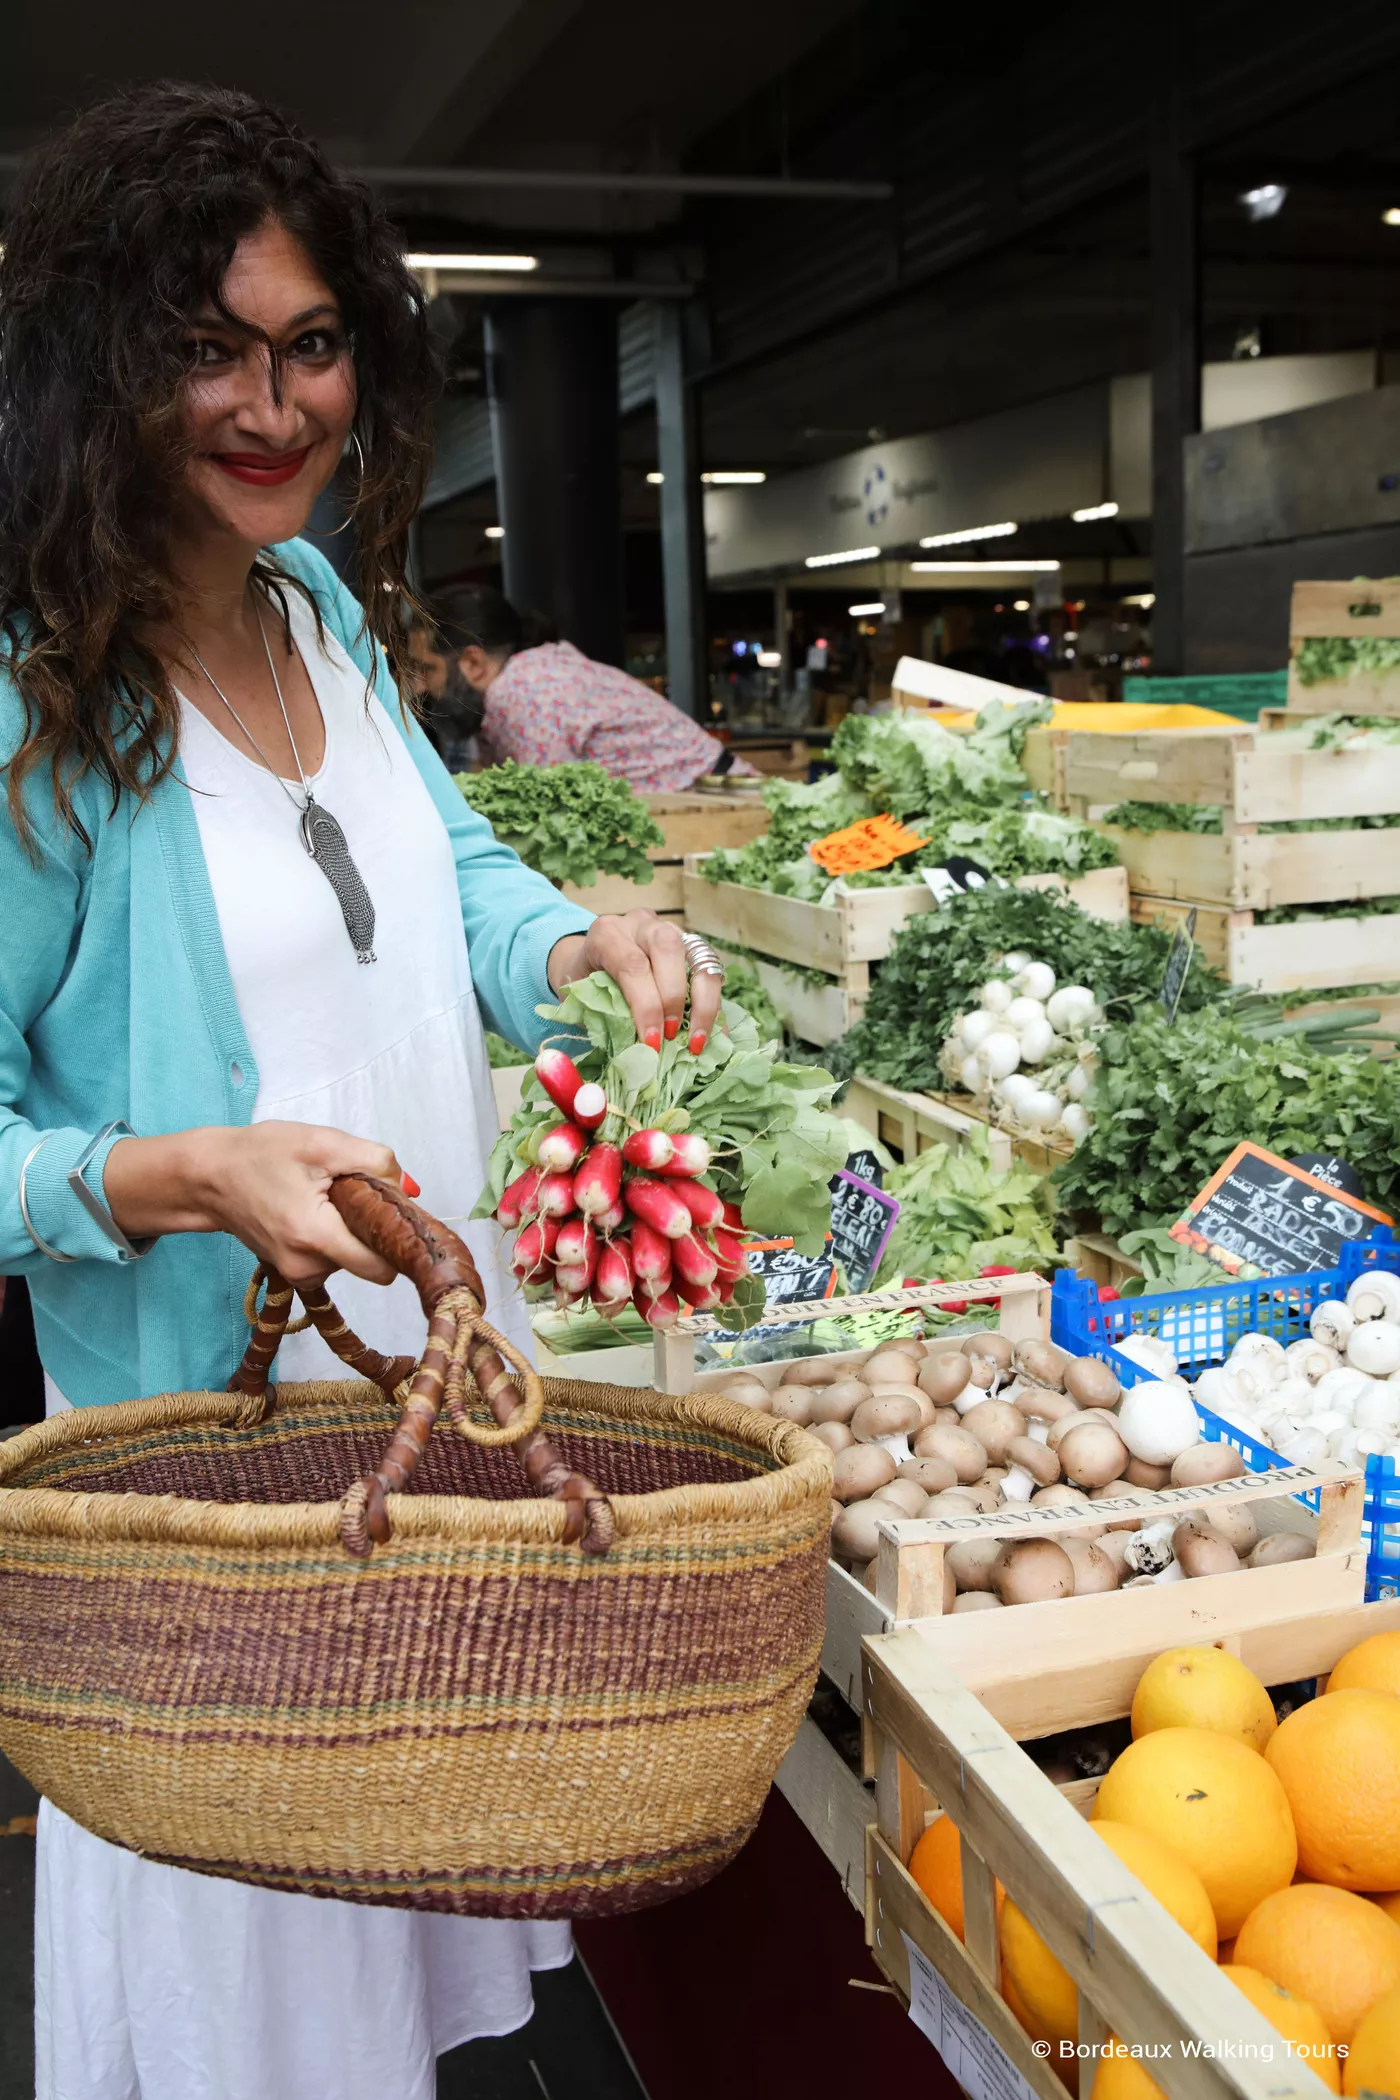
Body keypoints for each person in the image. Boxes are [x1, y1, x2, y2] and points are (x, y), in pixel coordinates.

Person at [0, 82, 724, 2100]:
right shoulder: (37, 701)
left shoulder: (312, 603)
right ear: (98, 371)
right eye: (204, 351)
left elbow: (438, 877)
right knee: (261, 2024)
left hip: (424, 1447)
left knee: (406, 2012)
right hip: (227, 1511)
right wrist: (181, 1170)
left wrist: (569, 945)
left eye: (310, 345)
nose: (270, 402)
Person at [432, 583, 752, 790]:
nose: (416, 686)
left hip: (717, 808)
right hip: (715, 799)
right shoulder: (525, 675)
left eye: (425, 668)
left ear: (473, 663)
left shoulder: (521, 690)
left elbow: (545, 812)